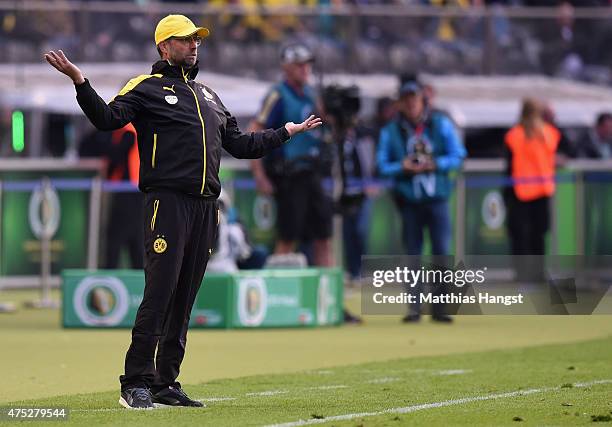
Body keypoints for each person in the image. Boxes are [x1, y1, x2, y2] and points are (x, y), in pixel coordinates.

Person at [44, 14, 321, 410]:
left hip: (206, 208)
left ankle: (164, 382)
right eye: (185, 39)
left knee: (184, 299)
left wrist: (285, 132)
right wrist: (79, 81)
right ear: (163, 47)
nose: (194, 45)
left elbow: (240, 145)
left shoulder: (209, 95)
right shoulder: (145, 87)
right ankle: (134, 382)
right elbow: (107, 120)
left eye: (197, 39)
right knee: (159, 294)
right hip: (167, 204)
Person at [377, 79, 465, 324]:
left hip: (437, 198)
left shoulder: (439, 124)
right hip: (409, 201)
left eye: (414, 98)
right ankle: (414, 307)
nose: (411, 104)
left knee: (440, 251)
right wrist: (402, 167)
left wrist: (436, 164)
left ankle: (440, 307)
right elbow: (382, 165)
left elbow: (458, 155)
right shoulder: (391, 131)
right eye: (406, 100)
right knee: (412, 254)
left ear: (421, 100)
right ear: (401, 103)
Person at [249, 43, 333, 267]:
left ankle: (328, 296)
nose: (305, 70)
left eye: (307, 65)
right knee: (288, 236)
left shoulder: (312, 94)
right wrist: (259, 175)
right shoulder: (278, 95)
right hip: (289, 174)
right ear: (286, 67)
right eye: (299, 65)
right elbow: (256, 130)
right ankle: (277, 292)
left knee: (324, 236)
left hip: (312, 171)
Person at [504, 98, 560, 259]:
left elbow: (508, 165)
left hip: (519, 191)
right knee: (539, 233)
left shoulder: (514, 134)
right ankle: (537, 273)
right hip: (542, 190)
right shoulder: (549, 132)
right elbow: (566, 147)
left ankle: (522, 273)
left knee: (519, 234)